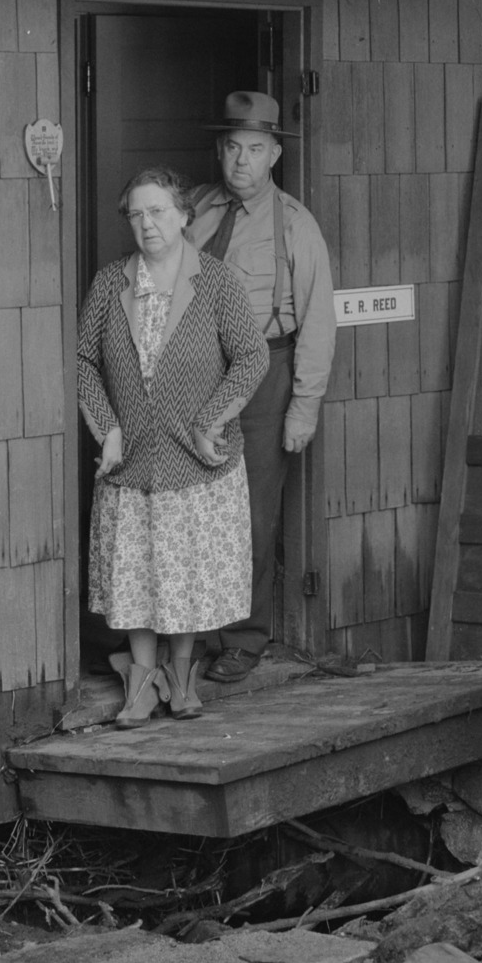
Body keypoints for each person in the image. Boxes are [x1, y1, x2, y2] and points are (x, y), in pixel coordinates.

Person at [76, 167, 268, 724]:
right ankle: (140, 682)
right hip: (133, 459)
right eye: (136, 214)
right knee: (138, 575)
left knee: (185, 575)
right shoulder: (111, 284)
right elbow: (84, 361)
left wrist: (211, 419)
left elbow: (252, 356)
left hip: (195, 460)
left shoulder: (216, 281)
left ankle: (181, 678)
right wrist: (108, 428)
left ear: (184, 215)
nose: (147, 223)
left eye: (158, 211)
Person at [186, 91, 336, 686]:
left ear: (274, 154)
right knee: (188, 503)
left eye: (253, 149)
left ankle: (243, 637)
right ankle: (189, 632)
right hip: (194, 373)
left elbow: (318, 322)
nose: (240, 160)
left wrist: (304, 408)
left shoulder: (296, 225)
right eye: (231, 147)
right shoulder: (195, 208)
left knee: (250, 511)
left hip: (265, 374)